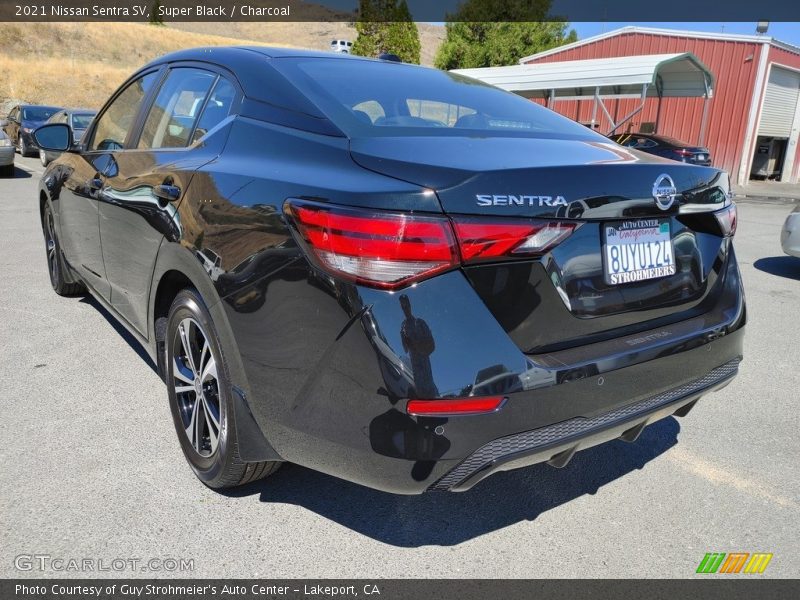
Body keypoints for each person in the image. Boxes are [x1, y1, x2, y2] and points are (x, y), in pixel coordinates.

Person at [399, 294, 438, 398]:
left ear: (410, 305)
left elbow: (432, 346)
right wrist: (404, 338)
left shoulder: (420, 323)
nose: (405, 308)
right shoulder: (403, 327)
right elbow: (405, 349)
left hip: (425, 369)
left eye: (406, 305)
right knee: (420, 395)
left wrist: (416, 344)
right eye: (402, 306)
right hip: (415, 370)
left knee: (430, 394)